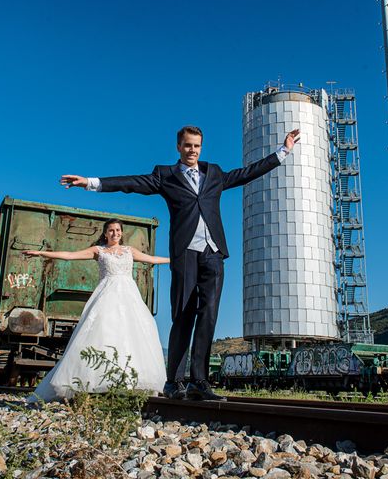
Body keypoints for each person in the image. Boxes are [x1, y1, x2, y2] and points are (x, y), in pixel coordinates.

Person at [61, 126, 300, 401]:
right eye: (188, 146)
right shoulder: (166, 176)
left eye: (197, 146)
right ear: (179, 147)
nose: (192, 151)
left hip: (213, 253)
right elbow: (132, 184)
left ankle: (200, 381)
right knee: (183, 315)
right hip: (185, 253)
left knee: (208, 314)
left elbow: (246, 173)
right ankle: (174, 382)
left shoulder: (214, 174)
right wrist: (91, 182)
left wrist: (283, 151)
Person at [25, 218, 169, 402]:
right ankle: (95, 383)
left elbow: (153, 260)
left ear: (122, 233)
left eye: (118, 230)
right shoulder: (98, 251)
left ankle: (126, 383)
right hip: (106, 297)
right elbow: (70, 255)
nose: (115, 233)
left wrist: (177, 259)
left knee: (131, 336)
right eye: (111, 230)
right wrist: (41, 253)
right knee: (103, 334)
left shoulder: (129, 251)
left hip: (129, 298)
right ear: (105, 233)